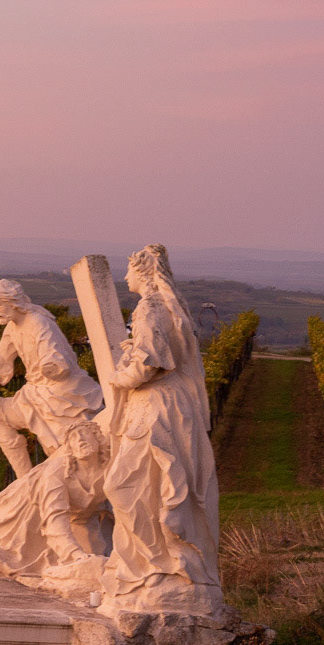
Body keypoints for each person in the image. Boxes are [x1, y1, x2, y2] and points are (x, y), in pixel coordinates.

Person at [98, 245, 223, 615]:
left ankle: (159, 565)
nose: (125, 279)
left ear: (145, 273)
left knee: (127, 486)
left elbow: (148, 364)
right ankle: (156, 563)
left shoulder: (150, 307)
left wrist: (118, 377)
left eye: (129, 272)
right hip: (164, 407)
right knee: (148, 488)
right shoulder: (166, 307)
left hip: (155, 410)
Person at [0, 419, 112, 602]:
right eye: (73, 437)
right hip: (30, 512)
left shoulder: (111, 471)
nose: (80, 439)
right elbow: (55, 521)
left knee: (97, 565)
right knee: (13, 556)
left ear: (99, 439)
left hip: (81, 521)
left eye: (85, 433)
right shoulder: (57, 473)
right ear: (69, 448)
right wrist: (75, 555)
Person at [0, 279, 102, 480]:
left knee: (63, 453)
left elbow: (57, 360)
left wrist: (51, 367)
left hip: (60, 394)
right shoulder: (12, 327)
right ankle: (24, 481)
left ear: (12, 302)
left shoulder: (38, 322)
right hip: (35, 393)